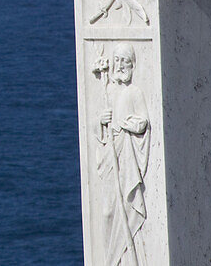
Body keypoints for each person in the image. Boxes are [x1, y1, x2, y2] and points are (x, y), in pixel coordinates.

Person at [96, 42, 149, 266]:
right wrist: (100, 122)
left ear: (132, 64)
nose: (119, 65)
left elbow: (143, 121)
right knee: (108, 211)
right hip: (110, 154)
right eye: (117, 60)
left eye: (124, 61)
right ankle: (110, 259)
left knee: (126, 206)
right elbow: (99, 131)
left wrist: (129, 125)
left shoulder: (134, 92)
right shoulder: (108, 90)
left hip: (126, 154)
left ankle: (125, 258)